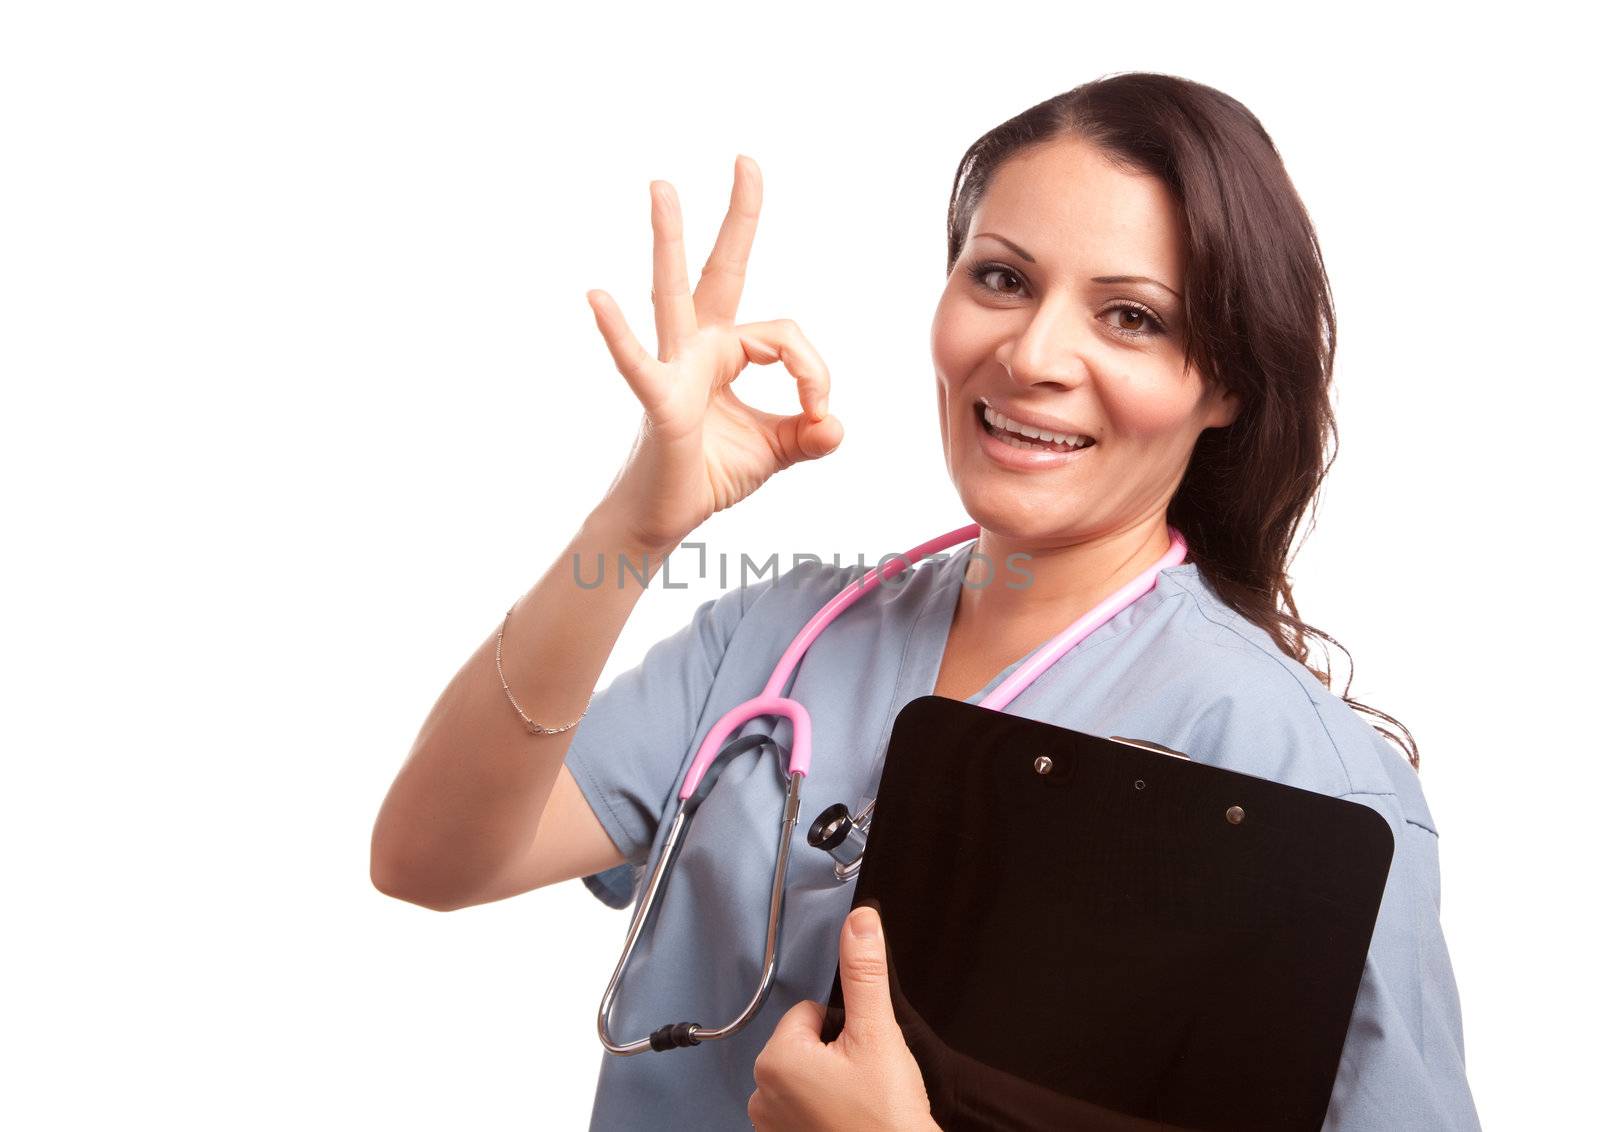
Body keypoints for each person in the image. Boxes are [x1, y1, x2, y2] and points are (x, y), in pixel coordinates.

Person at [370, 72, 1480, 1131]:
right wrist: (634, 524)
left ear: (1226, 382)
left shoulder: (1297, 775)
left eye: (1131, 317)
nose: (1033, 354)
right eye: (1000, 277)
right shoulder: (774, 634)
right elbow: (429, 859)